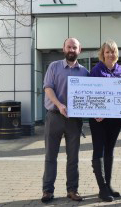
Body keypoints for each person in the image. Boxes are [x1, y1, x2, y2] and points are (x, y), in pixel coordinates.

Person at [41, 38, 89, 203]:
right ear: (63, 48)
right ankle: (47, 191)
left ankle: (72, 190)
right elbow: (48, 88)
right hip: (54, 116)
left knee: (73, 158)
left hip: (74, 121)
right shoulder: (54, 67)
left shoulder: (84, 72)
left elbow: (89, 96)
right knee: (50, 156)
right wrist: (59, 104)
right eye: (69, 46)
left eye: (74, 47)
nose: (71, 49)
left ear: (79, 50)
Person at [89, 40, 121, 202]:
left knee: (110, 151)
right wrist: (97, 112)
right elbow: (89, 93)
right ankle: (102, 189)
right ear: (102, 54)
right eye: (107, 52)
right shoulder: (96, 70)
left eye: (113, 51)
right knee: (99, 150)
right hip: (98, 119)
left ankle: (108, 185)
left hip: (115, 119)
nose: (110, 54)